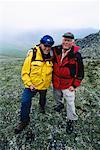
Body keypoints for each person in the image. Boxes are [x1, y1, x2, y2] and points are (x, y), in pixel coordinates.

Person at [15, 35, 54, 134]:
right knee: (25, 101)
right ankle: (24, 121)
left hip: (44, 85)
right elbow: (24, 72)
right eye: (45, 45)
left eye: (49, 46)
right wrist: (29, 84)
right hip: (32, 85)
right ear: (40, 44)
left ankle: (42, 106)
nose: (47, 48)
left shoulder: (53, 55)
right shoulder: (33, 54)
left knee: (43, 98)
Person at [52, 32, 84, 134]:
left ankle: (71, 119)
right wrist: (32, 50)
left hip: (68, 84)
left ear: (72, 42)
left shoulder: (76, 55)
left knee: (70, 103)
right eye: (65, 40)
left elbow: (80, 72)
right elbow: (44, 48)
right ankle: (59, 105)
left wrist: (74, 85)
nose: (66, 42)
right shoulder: (56, 50)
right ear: (62, 40)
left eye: (69, 41)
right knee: (57, 96)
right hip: (56, 81)